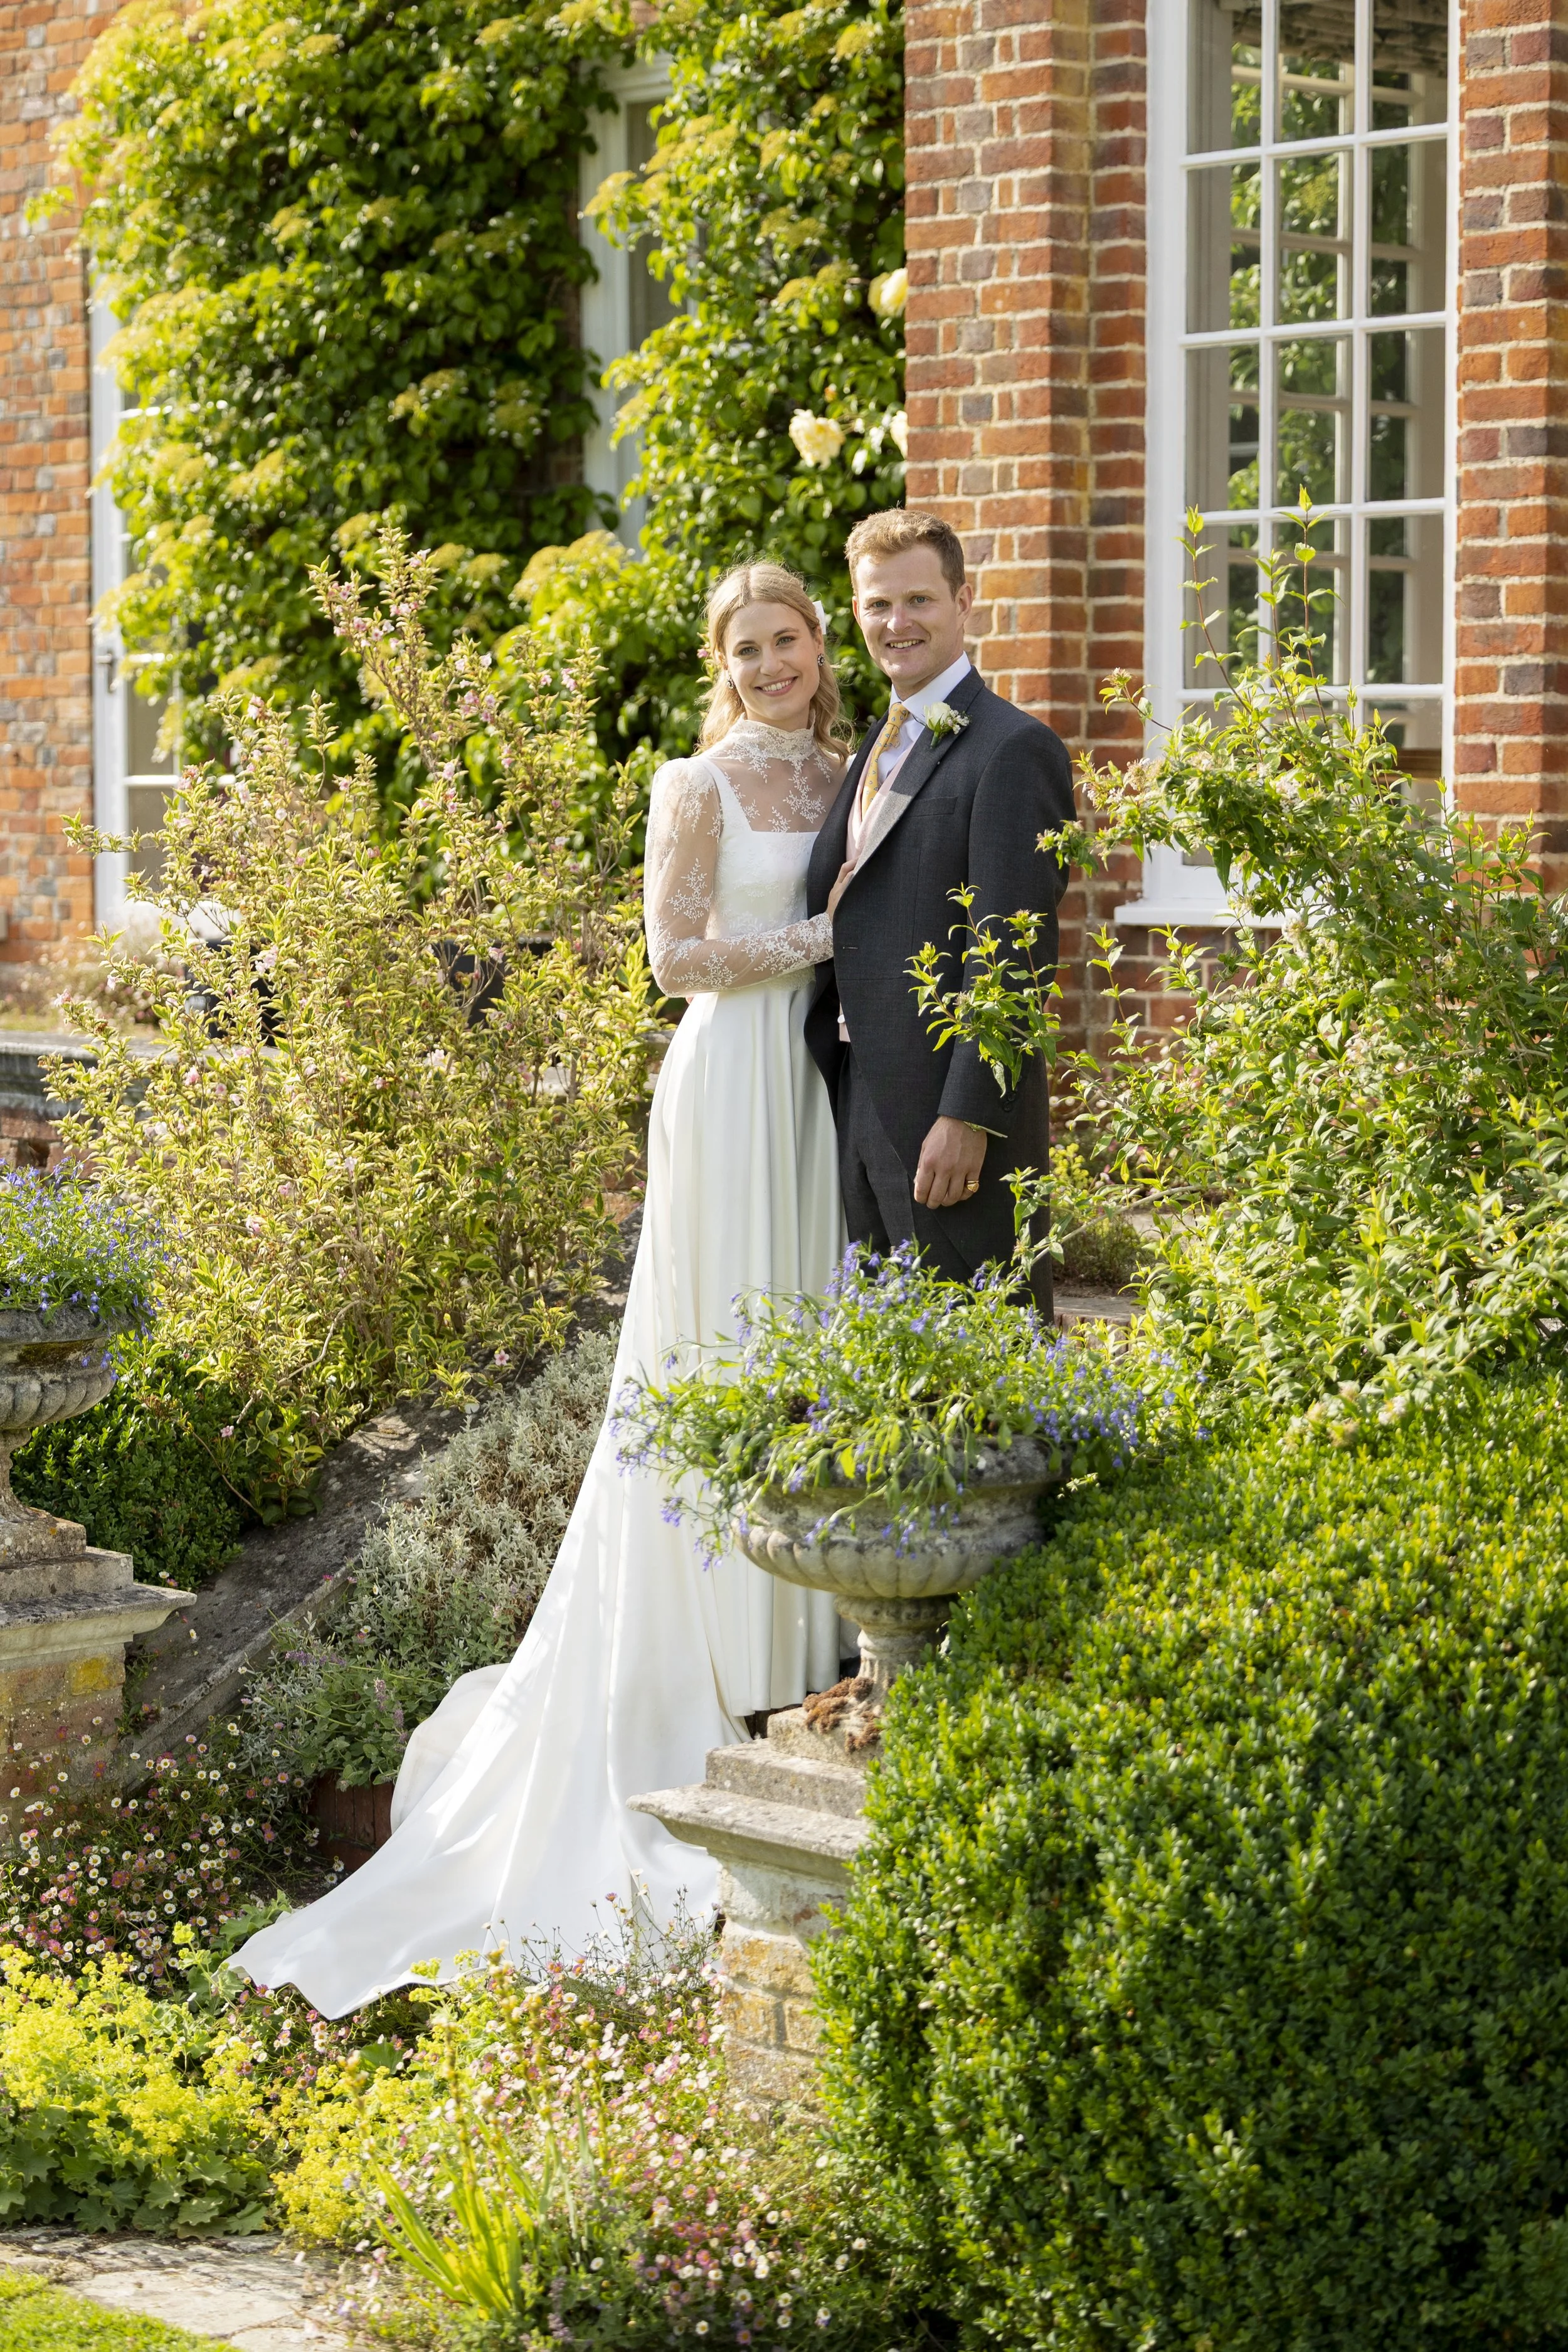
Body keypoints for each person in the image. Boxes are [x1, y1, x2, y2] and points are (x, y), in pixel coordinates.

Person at [232, 563, 848, 2017]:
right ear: (722, 660)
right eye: (744, 645)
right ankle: (701, 1668)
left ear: (823, 646)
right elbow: (671, 954)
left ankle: (803, 1655)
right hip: (728, 1083)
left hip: (823, 1100)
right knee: (714, 1364)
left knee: (811, 1362)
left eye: (789, 638)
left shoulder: (858, 770)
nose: (770, 663)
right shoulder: (694, 783)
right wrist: (821, 941)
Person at [803, 511, 1076, 1308]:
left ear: (963, 601)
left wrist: (968, 1117)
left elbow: (1012, 951)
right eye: (878, 604)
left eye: (918, 600)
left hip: (945, 1119)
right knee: (883, 1369)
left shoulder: (1013, 749)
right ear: (855, 613)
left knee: (977, 1365)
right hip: (858, 1093)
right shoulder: (871, 750)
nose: (897, 623)